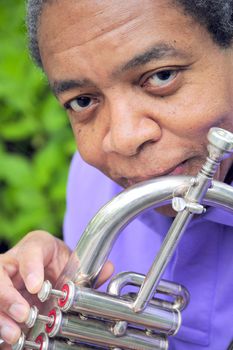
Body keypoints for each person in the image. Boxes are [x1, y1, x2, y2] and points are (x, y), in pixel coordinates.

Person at [1, 0, 233, 348]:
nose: (123, 139)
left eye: (162, 76)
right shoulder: (92, 183)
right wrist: (41, 315)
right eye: (83, 101)